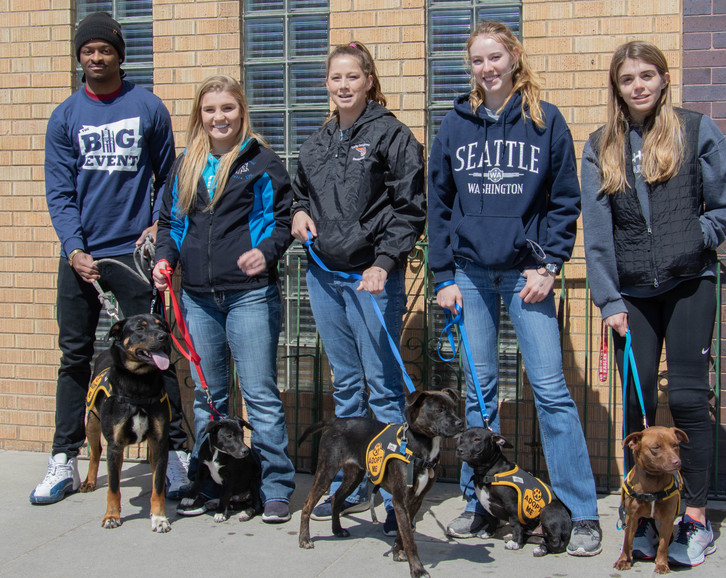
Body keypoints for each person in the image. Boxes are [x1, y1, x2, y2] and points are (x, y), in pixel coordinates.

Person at [428, 21, 602, 556]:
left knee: (551, 392)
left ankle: (580, 512)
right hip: (471, 277)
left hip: (528, 276)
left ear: (513, 58)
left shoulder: (546, 121)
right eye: (477, 60)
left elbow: (564, 198)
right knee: (480, 396)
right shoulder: (454, 126)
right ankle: (481, 504)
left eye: (495, 57)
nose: (487, 68)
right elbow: (437, 203)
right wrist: (442, 276)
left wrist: (549, 264)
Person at [580, 40, 726, 567]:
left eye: (647, 75)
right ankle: (636, 509)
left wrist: (697, 235)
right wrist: (608, 298)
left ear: (663, 78)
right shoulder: (600, 144)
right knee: (635, 404)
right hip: (630, 293)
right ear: (617, 85)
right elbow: (598, 233)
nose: (639, 85)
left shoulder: (695, 129)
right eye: (628, 77)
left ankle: (693, 517)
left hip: (688, 283)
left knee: (687, 398)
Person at [33, 11, 191, 505]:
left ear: (120, 55)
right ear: (79, 57)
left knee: (158, 353)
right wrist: (73, 248)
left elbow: (169, 176)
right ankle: (65, 458)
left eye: (105, 49)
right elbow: (60, 192)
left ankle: (178, 453)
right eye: (88, 50)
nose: (96, 57)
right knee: (75, 357)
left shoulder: (148, 107)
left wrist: (155, 223)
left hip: (133, 255)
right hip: (82, 255)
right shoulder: (65, 116)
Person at [290, 41, 426, 536]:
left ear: (369, 80)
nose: (343, 85)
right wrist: (298, 213)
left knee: (383, 389)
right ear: (326, 84)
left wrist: (386, 263)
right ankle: (353, 485)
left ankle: (395, 496)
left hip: (372, 279)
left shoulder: (392, 135)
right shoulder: (316, 142)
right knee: (346, 387)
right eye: (335, 78)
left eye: (353, 77)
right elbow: (299, 192)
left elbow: (411, 207)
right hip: (324, 276)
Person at [153, 75, 296, 523]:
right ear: (201, 114)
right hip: (196, 298)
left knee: (260, 397)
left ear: (241, 111)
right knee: (207, 398)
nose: (219, 117)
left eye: (228, 108)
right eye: (211, 109)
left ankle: (275, 486)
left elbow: (282, 220)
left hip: (250, 296)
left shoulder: (261, 162)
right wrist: (165, 261)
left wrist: (266, 252)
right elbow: (171, 225)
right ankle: (207, 481)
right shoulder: (186, 165)